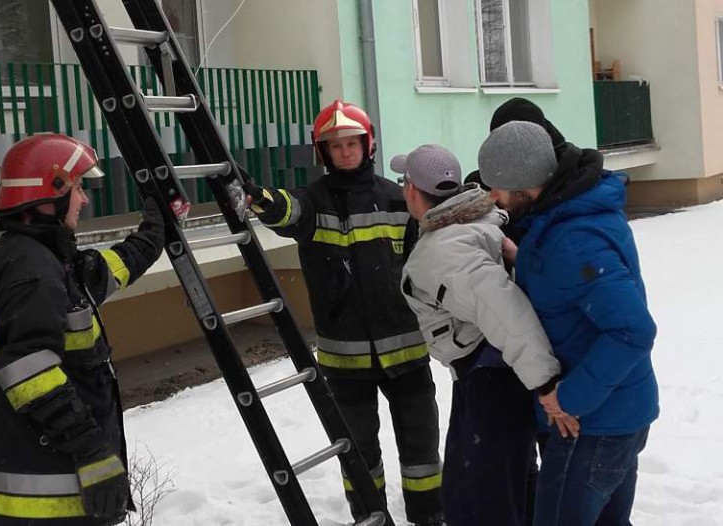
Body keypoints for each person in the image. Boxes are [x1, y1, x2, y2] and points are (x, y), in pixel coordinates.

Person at [244, 100, 443, 525]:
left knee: (422, 451)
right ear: (324, 152)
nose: (346, 152)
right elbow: (287, 211)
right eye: (336, 146)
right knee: (358, 454)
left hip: (407, 353)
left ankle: (429, 517)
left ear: (367, 144)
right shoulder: (314, 202)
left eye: (353, 143)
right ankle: (370, 517)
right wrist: (258, 198)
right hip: (345, 360)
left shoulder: (395, 197)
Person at [0, 134, 166, 526]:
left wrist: (154, 233)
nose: (84, 199)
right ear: (51, 193)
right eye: (78, 188)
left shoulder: (42, 258)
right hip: (48, 500)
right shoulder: (32, 271)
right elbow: (31, 373)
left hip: (50, 489)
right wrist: (93, 453)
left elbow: (102, 272)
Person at [478, 121, 660, 526]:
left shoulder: (573, 240)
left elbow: (634, 330)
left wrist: (568, 398)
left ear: (524, 182)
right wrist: (520, 256)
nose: (493, 197)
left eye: (498, 186)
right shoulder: (566, 214)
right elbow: (571, 288)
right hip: (618, 412)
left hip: (588, 426)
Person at [392, 144, 570, 525]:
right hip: (491, 375)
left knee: (479, 500)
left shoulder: (444, 251)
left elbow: (505, 312)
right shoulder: (469, 225)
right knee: (509, 487)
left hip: (491, 380)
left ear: (410, 189)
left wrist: (545, 382)